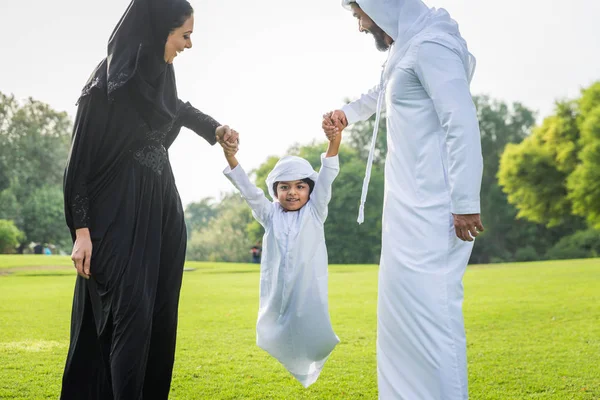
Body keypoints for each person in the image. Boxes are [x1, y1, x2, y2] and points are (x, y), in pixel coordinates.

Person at [60, 1, 238, 398]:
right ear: (160, 32)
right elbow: (79, 166)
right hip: (116, 216)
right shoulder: (104, 87)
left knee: (159, 315)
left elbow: (176, 110)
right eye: (185, 36)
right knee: (130, 317)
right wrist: (82, 232)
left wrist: (216, 128)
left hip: (162, 210)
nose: (189, 45)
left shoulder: (158, 79)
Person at [323, 0, 484, 398]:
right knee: (401, 314)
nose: (361, 26)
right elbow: (387, 90)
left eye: (360, 14)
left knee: (432, 314)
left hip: (435, 208)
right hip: (405, 207)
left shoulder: (433, 46)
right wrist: (347, 112)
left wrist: (465, 202)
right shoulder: (408, 48)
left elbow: (460, 121)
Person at [217, 123, 343, 388]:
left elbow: (328, 175)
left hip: (308, 290)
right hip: (277, 291)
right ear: (275, 192)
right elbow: (248, 190)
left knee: (312, 332)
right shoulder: (270, 215)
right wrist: (230, 155)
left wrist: (334, 140)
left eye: (300, 186)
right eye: (284, 187)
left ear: (310, 190)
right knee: (276, 329)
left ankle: (311, 357)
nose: (293, 193)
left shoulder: (315, 212)